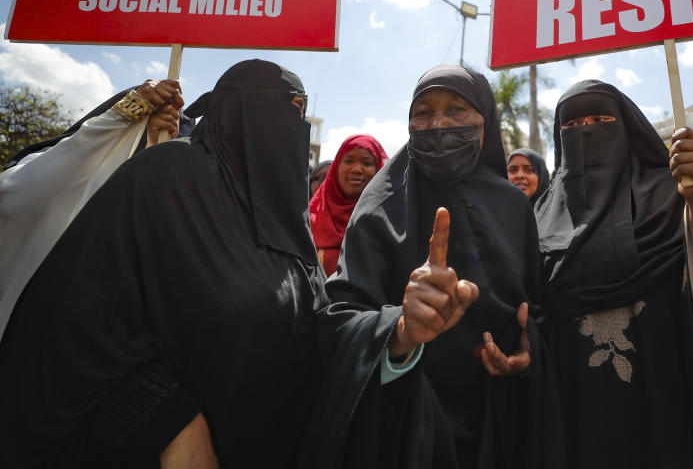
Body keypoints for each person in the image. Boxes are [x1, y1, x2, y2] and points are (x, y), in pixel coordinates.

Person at [0, 59, 478, 468]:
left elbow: (313, 332)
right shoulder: (162, 180)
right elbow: (78, 327)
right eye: (287, 109)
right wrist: (167, 419)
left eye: (304, 112)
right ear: (236, 113)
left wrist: (398, 334)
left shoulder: (283, 223)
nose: (297, 125)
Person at [536, 80, 693, 468]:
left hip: (675, 388)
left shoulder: (673, 192)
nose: (587, 130)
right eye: (572, 125)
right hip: (581, 405)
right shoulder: (539, 216)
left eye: (601, 118)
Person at [326, 64, 562, 469]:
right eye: (423, 112)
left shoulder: (512, 205)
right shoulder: (380, 205)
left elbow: (534, 307)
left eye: (456, 109)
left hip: (501, 420)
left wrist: (527, 355)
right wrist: (400, 331)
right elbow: (339, 321)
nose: (438, 123)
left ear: (485, 119)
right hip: (404, 425)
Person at [0, 79, 183, 339]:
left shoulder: (146, 203)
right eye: (137, 131)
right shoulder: (34, 171)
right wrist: (131, 111)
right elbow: (27, 189)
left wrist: (154, 141)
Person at [309, 134, 389, 276]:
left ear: (379, 169)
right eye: (348, 161)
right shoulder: (311, 217)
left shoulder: (393, 219)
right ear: (336, 167)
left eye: (366, 163)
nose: (356, 169)